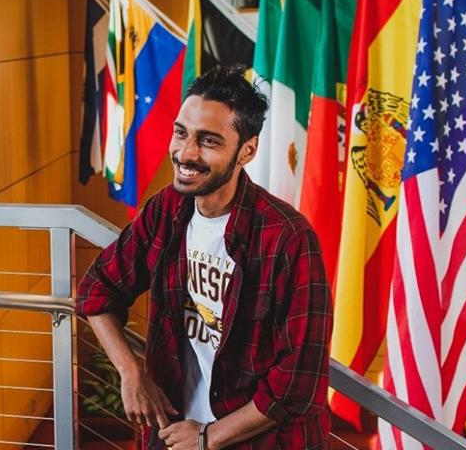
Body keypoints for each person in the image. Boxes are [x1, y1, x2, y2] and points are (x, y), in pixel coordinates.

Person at [76, 66, 334, 449]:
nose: (186, 152)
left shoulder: (289, 238)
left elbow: (299, 380)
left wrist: (207, 437)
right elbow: (97, 291)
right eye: (181, 132)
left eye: (208, 141)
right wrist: (131, 372)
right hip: (173, 429)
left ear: (247, 150)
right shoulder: (167, 209)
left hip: (258, 441)